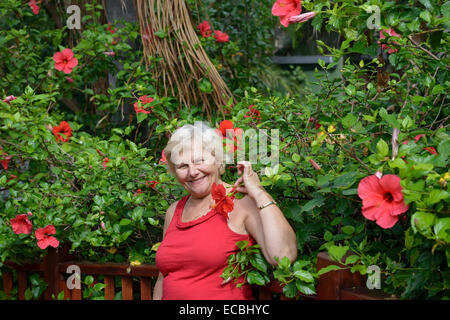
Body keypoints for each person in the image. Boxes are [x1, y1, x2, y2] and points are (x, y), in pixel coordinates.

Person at [153, 122, 297, 300]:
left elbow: (283, 256)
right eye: (183, 166)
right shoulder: (173, 211)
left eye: (199, 161)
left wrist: (259, 193)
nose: (192, 172)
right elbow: (162, 278)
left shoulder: (241, 202)